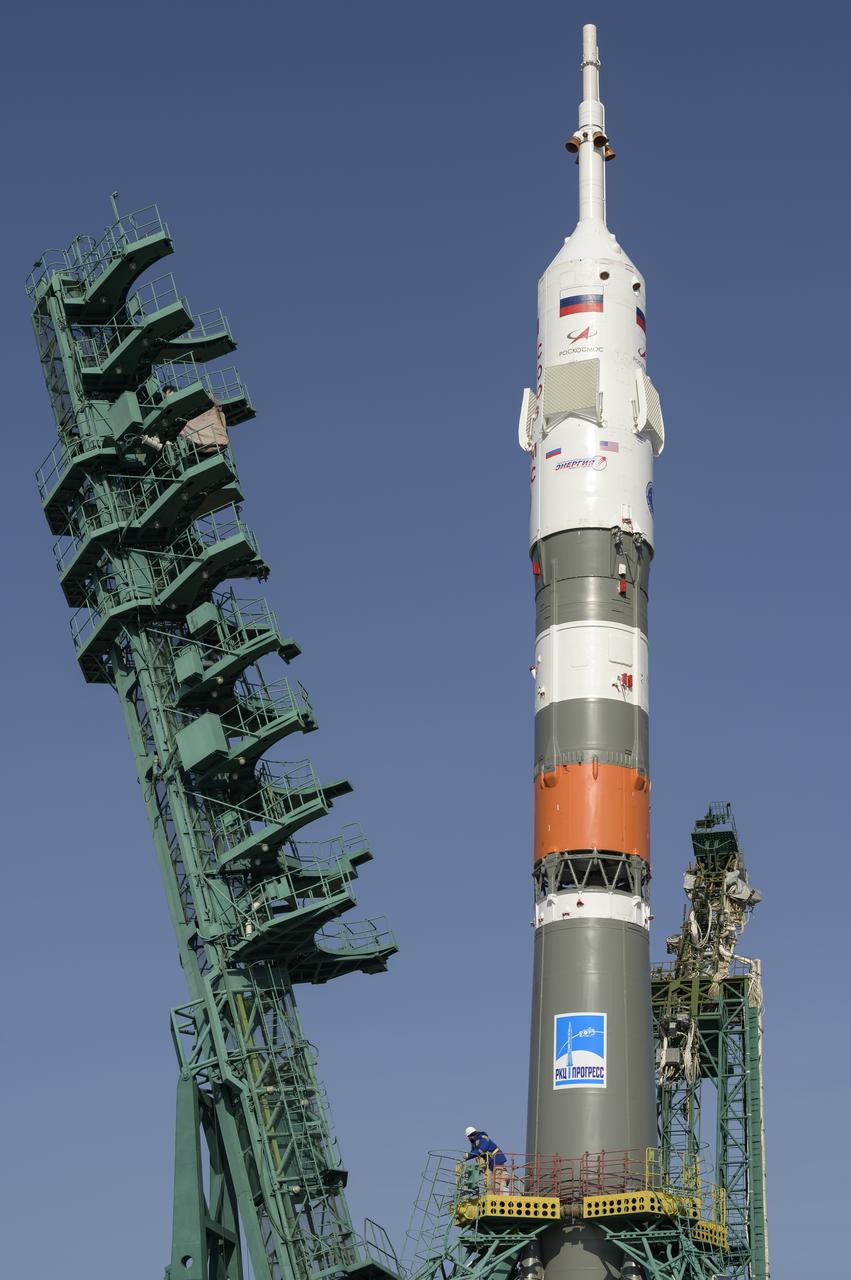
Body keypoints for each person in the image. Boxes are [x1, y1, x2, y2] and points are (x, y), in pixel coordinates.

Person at [465, 1127, 509, 1193]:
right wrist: (468, 1156)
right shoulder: (474, 1142)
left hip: (496, 1159)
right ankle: (491, 1194)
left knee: (497, 1180)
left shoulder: (483, 1138)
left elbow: (481, 1150)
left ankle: (496, 1197)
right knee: (488, 1182)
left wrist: (468, 1156)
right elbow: (473, 1152)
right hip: (489, 1163)